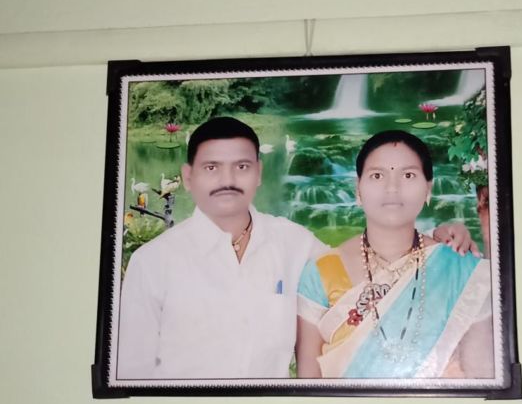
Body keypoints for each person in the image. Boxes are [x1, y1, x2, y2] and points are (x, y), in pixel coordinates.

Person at [117, 118, 478, 380]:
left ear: (259, 173)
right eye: (212, 167)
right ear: (188, 176)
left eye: (241, 166)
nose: (228, 180)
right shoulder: (153, 263)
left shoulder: (291, 242)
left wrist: (437, 237)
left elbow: (368, 259)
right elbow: (131, 371)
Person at [296, 130, 493, 379]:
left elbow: (481, 375)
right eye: (377, 175)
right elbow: (308, 382)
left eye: (408, 175)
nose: (392, 188)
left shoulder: (461, 270)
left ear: (428, 189)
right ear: (358, 189)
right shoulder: (320, 273)